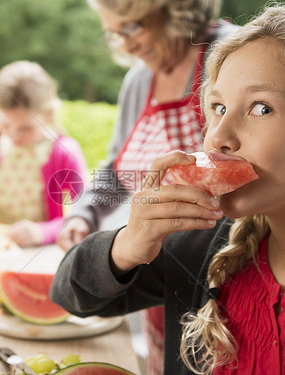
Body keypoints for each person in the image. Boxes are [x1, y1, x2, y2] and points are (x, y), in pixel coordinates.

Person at [50, 2, 285, 374]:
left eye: (261, 108)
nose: (216, 138)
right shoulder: (201, 247)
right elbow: (69, 291)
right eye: (218, 108)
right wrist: (127, 244)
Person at [56, 2, 237, 373]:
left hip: (226, 270)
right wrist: (85, 213)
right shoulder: (139, 80)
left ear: (177, 11)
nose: (126, 44)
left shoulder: (230, 54)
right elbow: (118, 166)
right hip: (159, 272)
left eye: (133, 27)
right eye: (114, 33)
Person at [0, 61, 87, 247]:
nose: (14, 136)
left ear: (48, 114)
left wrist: (43, 232)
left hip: (35, 253)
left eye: (25, 128)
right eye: (5, 125)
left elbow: (85, 213)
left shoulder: (63, 152)